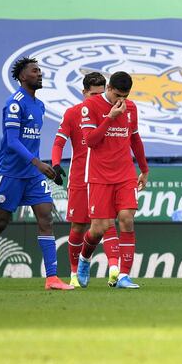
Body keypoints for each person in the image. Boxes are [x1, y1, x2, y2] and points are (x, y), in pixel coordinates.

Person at [0, 57, 73, 291]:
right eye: (35, 71)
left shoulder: (40, 105)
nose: (40, 74)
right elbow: (13, 142)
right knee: (1, 222)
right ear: (22, 76)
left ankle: (52, 278)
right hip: (12, 173)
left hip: (33, 175)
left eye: (40, 71)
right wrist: (39, 163)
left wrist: (44, 167)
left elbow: (31, 141)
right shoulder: (14, 103)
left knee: (46, 218)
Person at [76, 71, 149, 289]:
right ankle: (84, 257)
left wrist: (144, 169)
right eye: (117, 95)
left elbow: (135, 138)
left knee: (127, 218)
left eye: (125, 97)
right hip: (99, 174)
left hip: (125, 173)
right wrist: (110, 118)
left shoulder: (131, 108)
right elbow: (90, 141)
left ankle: (123, 276)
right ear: (108, 88)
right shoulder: (90, 106)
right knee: (99, 228)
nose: (121, 101)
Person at [51, 72, 123, 288]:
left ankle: (114, 270)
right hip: (81, 178)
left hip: (103, 176)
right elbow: (58, 142)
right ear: (83, 93)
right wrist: (55, 164)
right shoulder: (73, 113)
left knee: (108, 222)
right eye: (93, 94)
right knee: (79, 226)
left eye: (101, 94)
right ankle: (74, 273)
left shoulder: (113, 111)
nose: (97, 98)